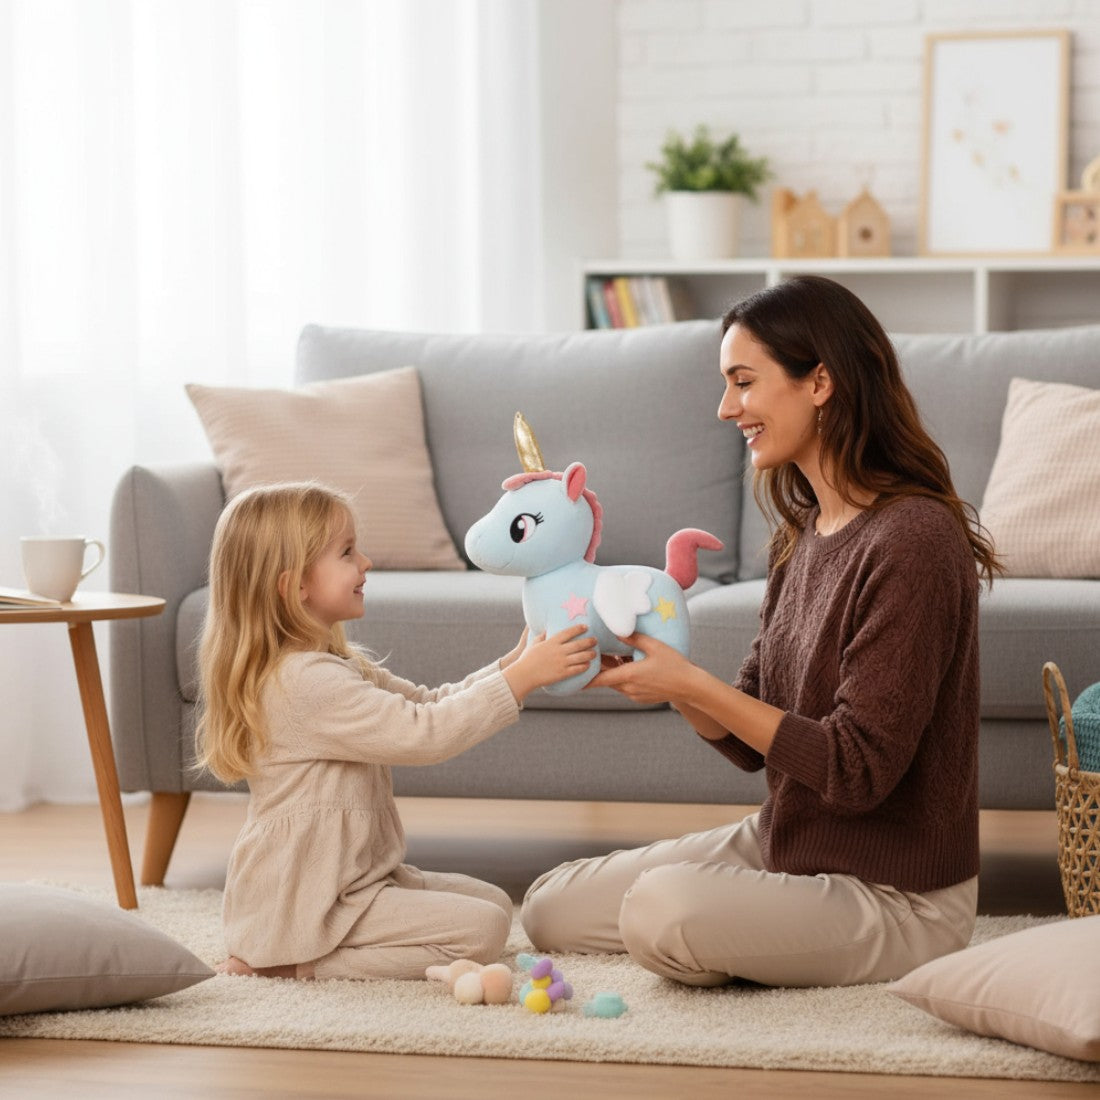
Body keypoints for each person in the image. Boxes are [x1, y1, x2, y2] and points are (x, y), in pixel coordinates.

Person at [521, 274, 1002, 989]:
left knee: (660, 910)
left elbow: (857, 768)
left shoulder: (914, 539)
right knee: (549, 909)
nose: (725, 408)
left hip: (897, 895)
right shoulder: (802, 533)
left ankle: (752, 936)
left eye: (743, 382)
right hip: (789, 845)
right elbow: (751, 744)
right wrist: (662, 675)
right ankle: (750, 932)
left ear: (820, 382)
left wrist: (691, 683)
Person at [195, 482, 596, 981]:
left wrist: (514, 663)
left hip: (354, 882)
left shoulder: (332, 664)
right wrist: (521, 679)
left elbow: (426, 701)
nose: (365, 563)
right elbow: (423, 733)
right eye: (346, 553)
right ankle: (296, 963)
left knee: (492, 901)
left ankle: (301, 952)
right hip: (304, 902)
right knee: (484, 929)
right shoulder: (305, 683)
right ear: (294, 585)